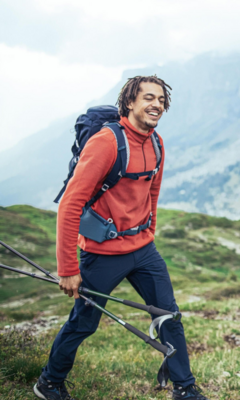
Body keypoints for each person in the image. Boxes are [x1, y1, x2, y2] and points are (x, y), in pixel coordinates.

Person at [34, 76, 209, 400]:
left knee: (169, 317)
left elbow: (152, 191)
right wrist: (68, 268)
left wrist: (149, 230)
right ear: (129, 102)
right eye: (148, 98)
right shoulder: (106, 142)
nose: (157, 105)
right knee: (84, 323)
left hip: (143, 250)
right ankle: (49, 383)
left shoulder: (156, 142)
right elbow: (70, 204)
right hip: (102, 254)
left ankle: (185, 389)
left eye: (161, 100)